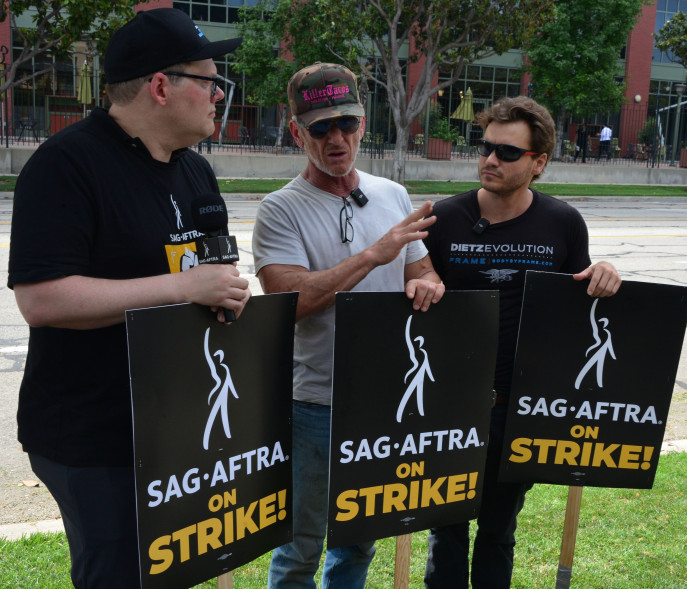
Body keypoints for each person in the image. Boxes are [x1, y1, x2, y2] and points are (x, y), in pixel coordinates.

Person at [7, 9, 249, 588]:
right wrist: (183, 287)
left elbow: (209, 264)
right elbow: (41, 300)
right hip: (94, 436)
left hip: (177, 425)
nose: (221, 94)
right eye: (211, 81)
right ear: (162, 87)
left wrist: (223, 291)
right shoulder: (67, 165)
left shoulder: (196, 172)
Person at [252, 62, 445, 589]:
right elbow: (289, 301)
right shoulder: (280, 210)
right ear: (296, 131)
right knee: (301, 547)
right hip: (314, 402)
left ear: (363, 123)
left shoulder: (392, 195)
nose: (337, 139)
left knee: (360, 539)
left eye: (348, 124)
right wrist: (374, 252)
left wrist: (426, 284)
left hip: (381, 401)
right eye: (320, 128)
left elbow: (420, 269)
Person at [422, 95, 621, 589]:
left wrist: (603, 274)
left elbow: (578, 300)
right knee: (445, 527)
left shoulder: (562, 223)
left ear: (538, 163)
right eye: (486, 147)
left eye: (508, 153)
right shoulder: (442, 220)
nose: (490, 160)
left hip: (519, 406)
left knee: (498, 529)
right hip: (450, 402)